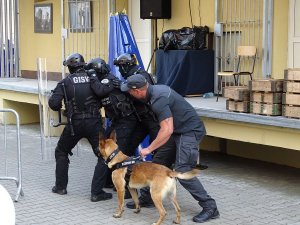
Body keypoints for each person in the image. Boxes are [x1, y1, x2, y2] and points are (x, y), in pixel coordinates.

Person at [121, 74, 220, 223]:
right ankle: (147, 198)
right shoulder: (152, 93)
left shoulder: (158, 99)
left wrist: (148, 149)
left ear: (138, 91)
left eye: (129, 91)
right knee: (159, 161)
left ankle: (210, 207)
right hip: (177, 131)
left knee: (182, 170)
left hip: (189, 131)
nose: (128, 93)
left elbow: (167, 129)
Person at [48, 53, 112, 202]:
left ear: (70, 67)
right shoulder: (94, 79)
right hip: (94, 123)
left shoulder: (65, 82)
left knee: (61, 151)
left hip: (74, 124)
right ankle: (97, 192)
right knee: (103, 155)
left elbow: (53, 104)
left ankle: (60, 187)